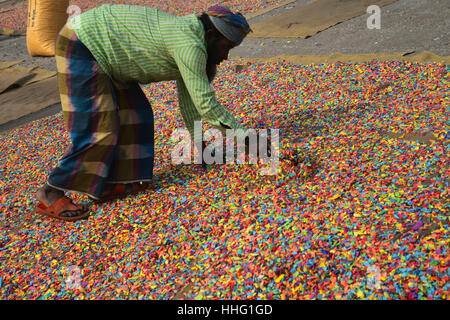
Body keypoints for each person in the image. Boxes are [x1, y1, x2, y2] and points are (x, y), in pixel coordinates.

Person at [36, 4, 256, 222]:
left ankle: (108, 184)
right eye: (226, 47)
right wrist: (249, 140)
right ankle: (51, 192)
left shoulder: (194, 38)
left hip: (110, 52)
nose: (226, 56)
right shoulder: (189, 45)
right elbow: (205, 104)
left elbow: (190, 100)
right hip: (83, 41)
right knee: (98, 125)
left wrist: (199, 144)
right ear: (210, 35)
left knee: (135, 114)